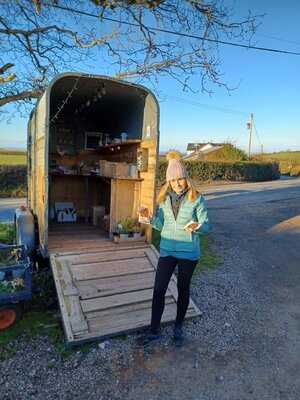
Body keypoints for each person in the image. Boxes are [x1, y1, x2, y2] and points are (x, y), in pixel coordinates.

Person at [138, 151, 210, 347]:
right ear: (168, 181)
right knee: (159, 289)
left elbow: (207, 225)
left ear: (186, 178)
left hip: (188, 252)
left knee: (183, 289)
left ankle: (178, 327)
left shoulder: (197, 199)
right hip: (168, 249)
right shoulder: (163, 200)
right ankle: (154, 330)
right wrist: (149, 219)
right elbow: (162, 225)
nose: (177, 184)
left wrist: (198, 227)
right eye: (173, 180)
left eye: (180, 179)